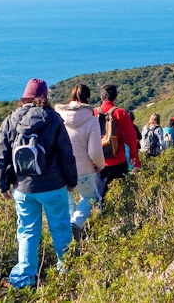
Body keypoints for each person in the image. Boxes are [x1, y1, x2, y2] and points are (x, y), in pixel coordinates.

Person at [0, 78, 77, 289]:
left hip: (23, 188)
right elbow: (66, 154)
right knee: (60, 227)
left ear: (25, 97)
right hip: (53, 186)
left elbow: (1, 156)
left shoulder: (10, 120)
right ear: (45, 96)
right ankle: (66, 271)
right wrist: (71, 181)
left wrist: (2, 184)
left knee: (27, 231)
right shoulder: (53, 119)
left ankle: (24, 278)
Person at [55, 84, 105, 240]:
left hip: (62, 169)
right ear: (88, 99)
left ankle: (70, 236)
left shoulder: (58, 117)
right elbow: (94, 151)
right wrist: (100, 165)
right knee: (90, 197)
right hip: (83, 169)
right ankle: (76, 224)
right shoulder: (91, 120)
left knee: (69, 200)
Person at [93, 84, 140, 200]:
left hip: (99, 163)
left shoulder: (93, 113)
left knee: (101, 197)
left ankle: (102, 217)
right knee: (122, 196)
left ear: (101, 97)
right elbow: (131, 136)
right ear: (116, 97)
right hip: (119, 161)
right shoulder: (121, 113)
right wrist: (133, 155)